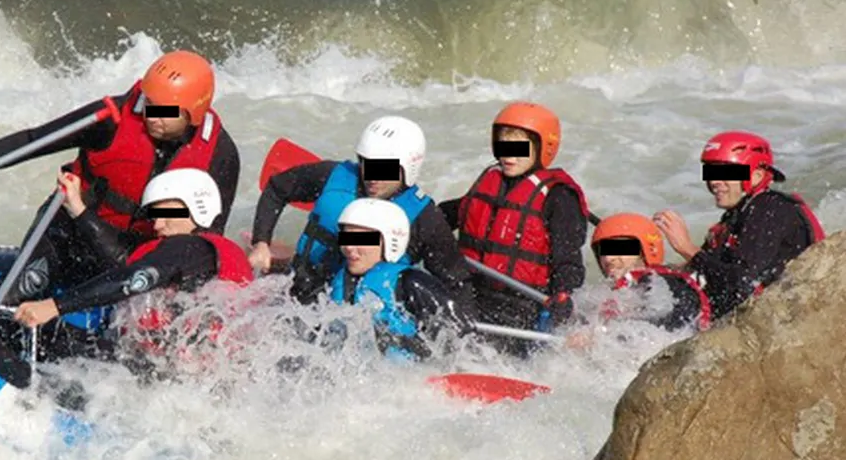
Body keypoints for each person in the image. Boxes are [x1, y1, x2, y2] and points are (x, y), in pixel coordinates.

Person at [0, 50, 240, 310]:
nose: (153, 117)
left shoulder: (219, 156)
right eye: (149, 105)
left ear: (193, 114)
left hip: (131, 254)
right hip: (69, 228)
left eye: (166, 111)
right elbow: (32, 141)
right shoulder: (109, 120)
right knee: (24, 286)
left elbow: (206, 235)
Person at [13, 168, 253, 375]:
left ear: (196, 208)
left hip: (167, 373)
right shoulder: (199, 257)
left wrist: (54, 306)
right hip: (175, 371)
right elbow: (123, 260)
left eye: (167, 214)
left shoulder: (190, 246)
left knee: (31, 333)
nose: (158, 224)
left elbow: (132, 278)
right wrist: (78, 209)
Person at [246, 116, 475, 312]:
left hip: (361, 319)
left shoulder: (424, 218)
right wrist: (261, 243)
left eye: (383, 168)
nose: (372, 178)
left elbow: (457, 283)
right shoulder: (333, 176)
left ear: (408, 168)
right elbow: (277, 188)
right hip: (297, 290)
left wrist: (462, 347)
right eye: (368, 164)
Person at [440, 102, 591, 353]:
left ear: (544, 148)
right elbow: (446, 217)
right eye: (503, 147)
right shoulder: (490, 181)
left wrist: (564, 293)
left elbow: (568, 257)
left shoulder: (559, 197)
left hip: (522, 305)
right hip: (470, 293)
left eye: (519, 149)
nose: (509, 156)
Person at [652, 131, 825, 321]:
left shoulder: (771, 209)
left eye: (725, 173)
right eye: (711, 174)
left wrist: (687, 249)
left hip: (782, 320)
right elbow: (704, 269)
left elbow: (741, 283)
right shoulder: (738, 216)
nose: (714, 182)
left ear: (757, 175)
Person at [324, 199, 474, 360]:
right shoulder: (340, 281)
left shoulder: (411, 282)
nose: (349, 248)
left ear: (389, 242)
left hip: (409, 375)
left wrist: (410, 345)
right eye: (346, 238)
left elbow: (459, 335)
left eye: (361, 239)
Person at [585, 212, 711, 334]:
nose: (608, 259)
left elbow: (672, 331)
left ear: (645, 251)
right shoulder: (610, 292)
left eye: (619, 248)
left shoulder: (669, 285)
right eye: (603, 251)